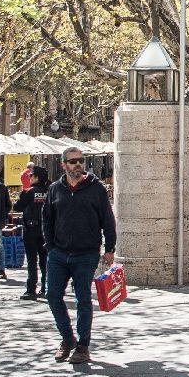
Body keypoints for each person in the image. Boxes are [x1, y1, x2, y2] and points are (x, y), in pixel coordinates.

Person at [41, 148, 117, 364]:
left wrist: (110, 248)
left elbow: (108, 220)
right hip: (58, 254)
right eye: (73, 161)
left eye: (80, 161)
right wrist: (50, 246)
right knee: (52, 295)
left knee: (83, 298)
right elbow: (46, 218)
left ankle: (83, 346)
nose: (77, 165)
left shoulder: (96, 189)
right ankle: (67, 339)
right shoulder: (55, 189)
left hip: (86, 254)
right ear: (63, 164)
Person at [13, 167, 49, 300]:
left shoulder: (28, 192)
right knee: (45, 261)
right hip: (46, 231)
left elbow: (17, 207)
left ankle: (31, 290)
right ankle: (46, 288)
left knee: (32, 261)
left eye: (32, 175)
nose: (29, 177)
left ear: (37, 177)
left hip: (31, 229)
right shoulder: (50, 191)